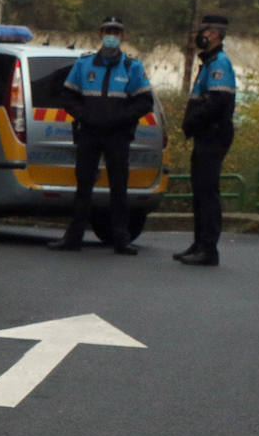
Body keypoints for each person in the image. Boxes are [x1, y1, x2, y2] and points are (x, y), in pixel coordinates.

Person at [49, 16, 155, 255]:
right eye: (108, 31)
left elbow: (145, 102)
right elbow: (67, 96)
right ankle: (73, 237)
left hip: (117, 136)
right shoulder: (84, 64)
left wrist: (119, 118)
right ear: (100, 33)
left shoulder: (132, 67)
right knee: (83, 186)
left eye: (116, 32)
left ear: (122, 36)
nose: (112, 35)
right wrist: (84, 115)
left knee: (119, 188)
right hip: (89, 133)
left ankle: (121, 239)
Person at [176, 14, 236, 267]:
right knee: (199, 192)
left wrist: (192, 121)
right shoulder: (209, 62)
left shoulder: (220, 63)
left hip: (213, 134)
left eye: (204, 31)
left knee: (207, 192)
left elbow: (217, 102)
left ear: (214, 34)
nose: (200, 35)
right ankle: (199, 243)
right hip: (205, 134)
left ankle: (209, 248)